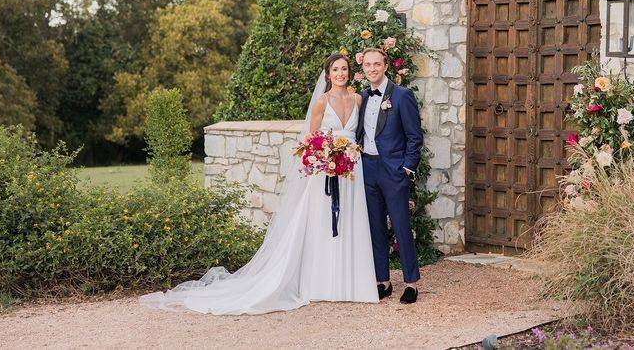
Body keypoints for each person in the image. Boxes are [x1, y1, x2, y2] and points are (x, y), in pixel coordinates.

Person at [139, 53, 378, 314]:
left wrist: (347, 154)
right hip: (325, 175)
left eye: (344, 69)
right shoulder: (321, 102)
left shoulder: (358, 99)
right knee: (322, 225)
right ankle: (323, 285)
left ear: (349, 72)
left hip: (352, 172)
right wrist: (324, 158)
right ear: (328, 74)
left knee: (350, 222)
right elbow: (311, 140)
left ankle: (352, 285)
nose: (340, 74)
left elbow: (360, 135)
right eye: (335, 69)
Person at [356, 47, 424, 304]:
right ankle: (382, 281)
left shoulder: (402, 95)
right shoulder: (362, 97)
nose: (372, 69)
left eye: (377, 64)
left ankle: (411, 283)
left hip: (394, 172)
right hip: (368, 169)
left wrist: (407, 168)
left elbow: (415, 137)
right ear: (363, 69)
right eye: (368, 65)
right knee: (375, 228)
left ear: (385, 66)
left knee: (401, 227)